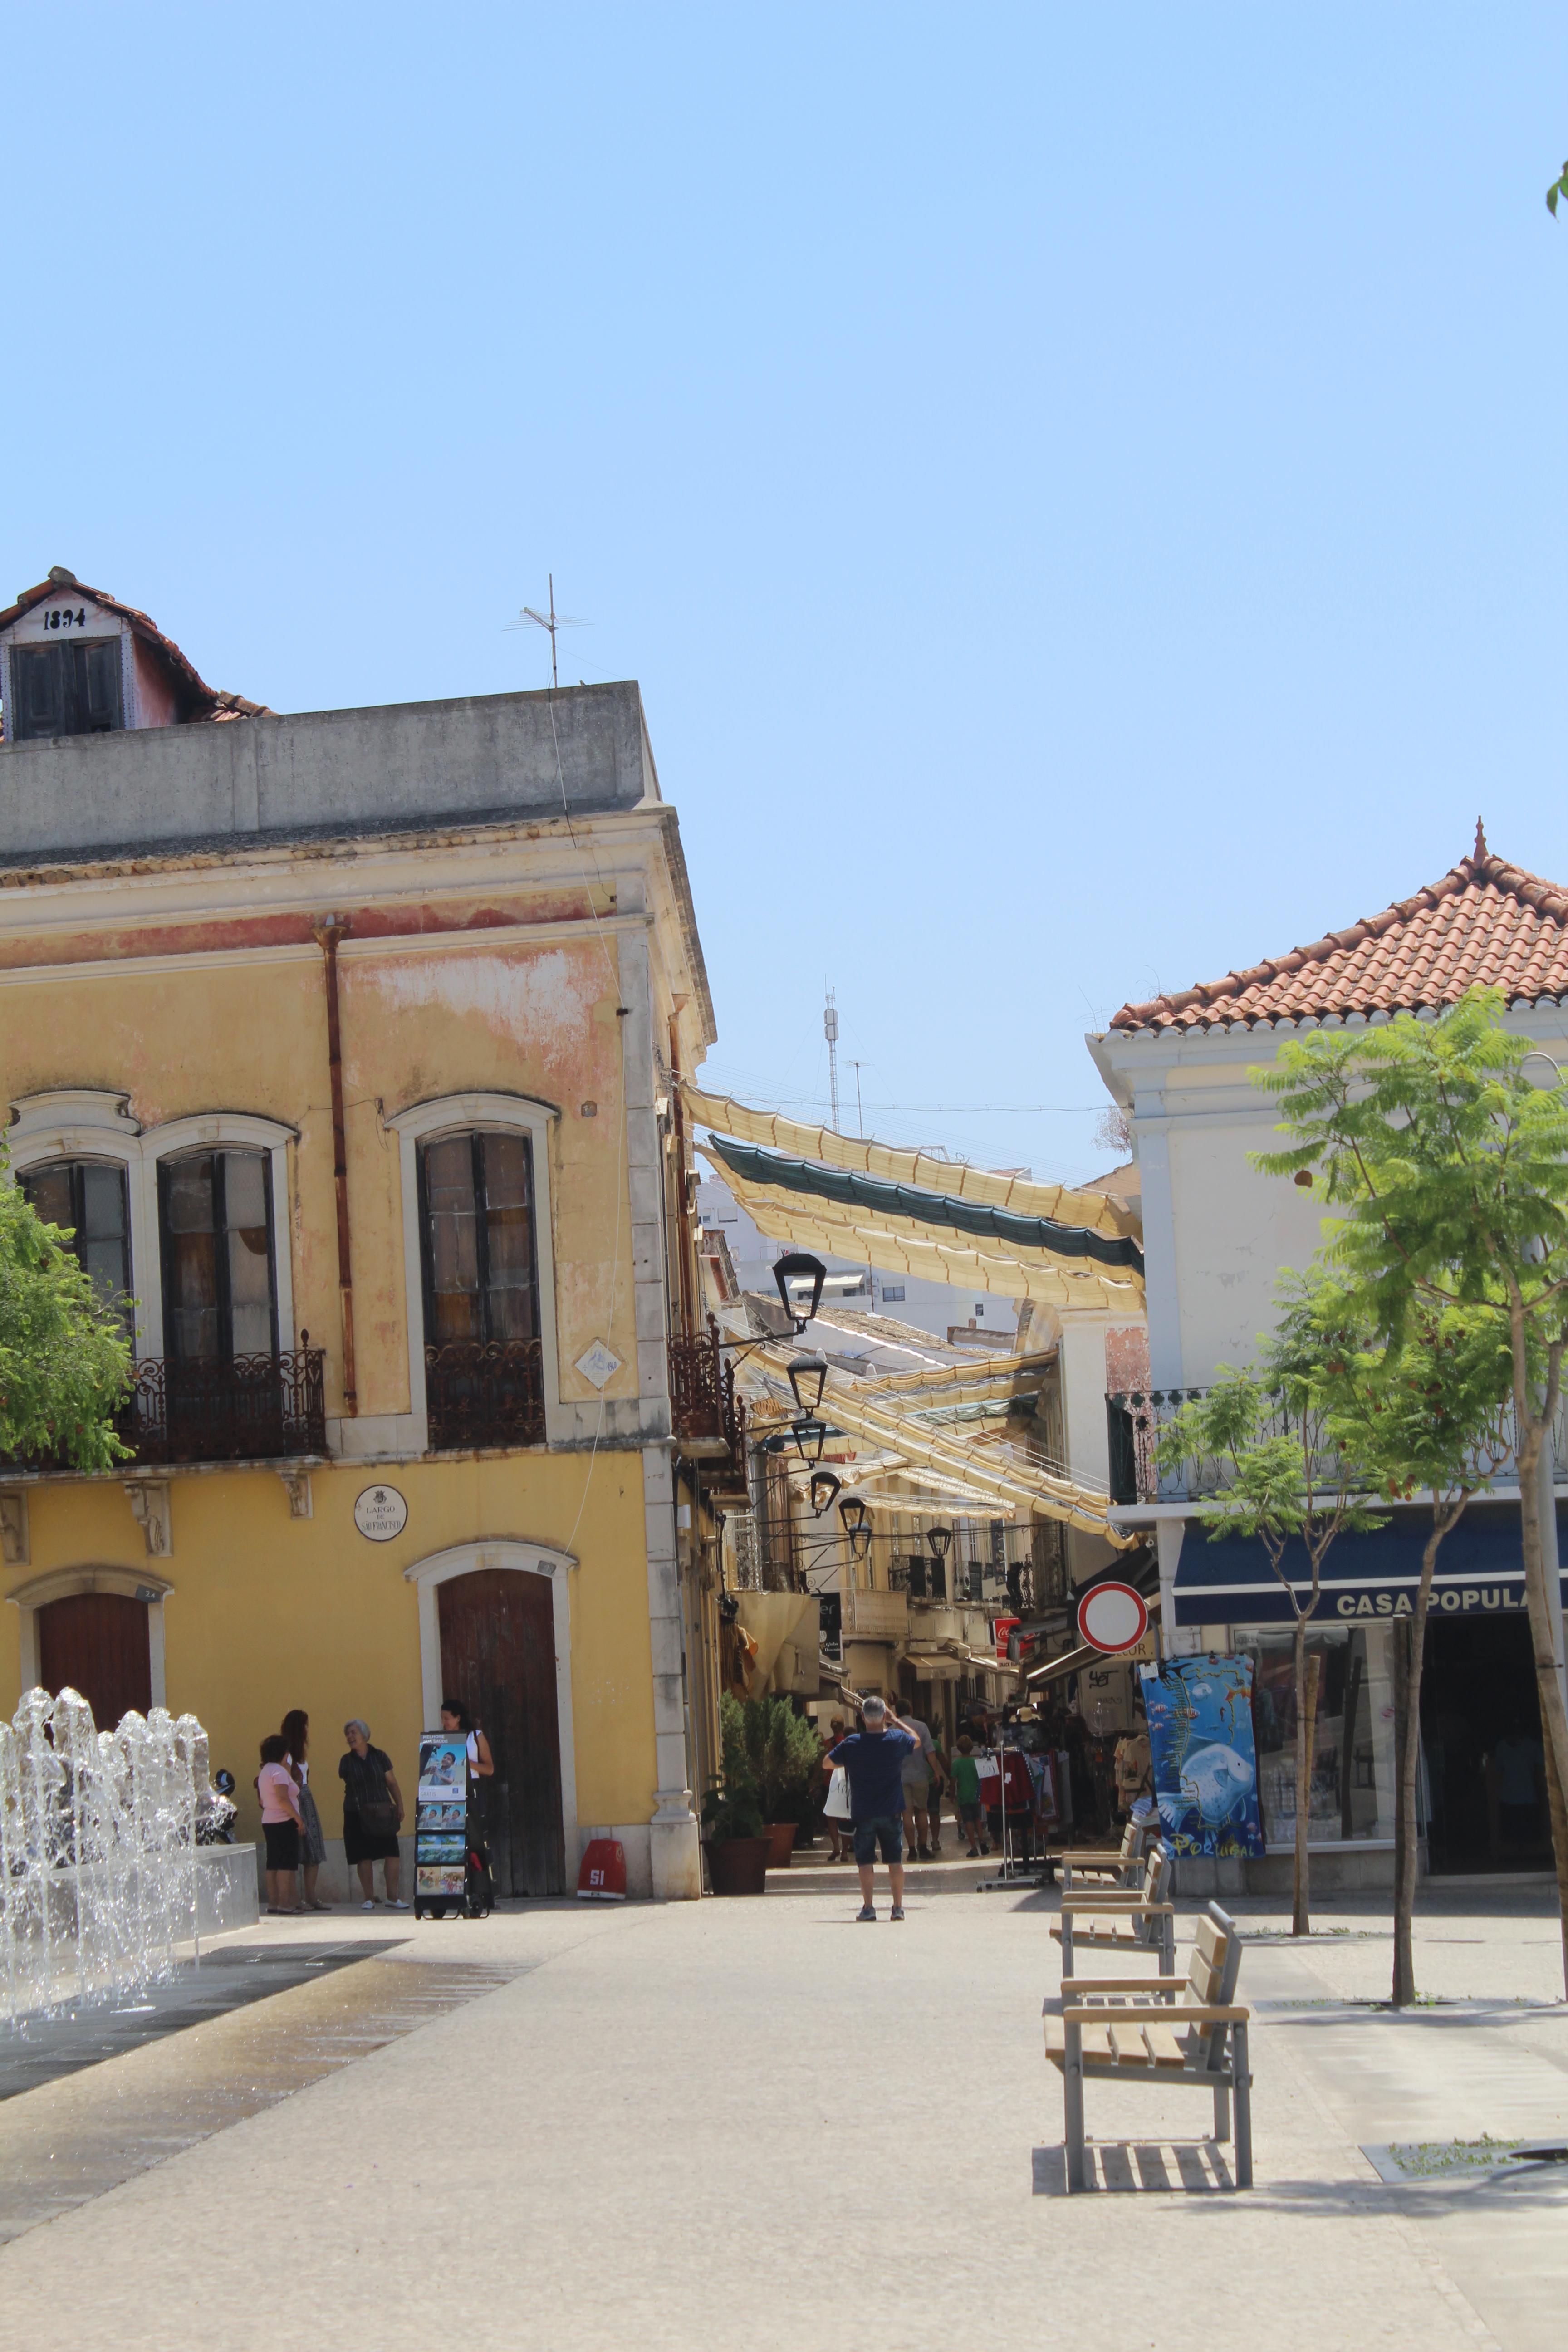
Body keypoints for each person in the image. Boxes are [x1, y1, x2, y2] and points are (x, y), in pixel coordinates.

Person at [824, 1692, 924, 1921]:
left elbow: (827, 1762)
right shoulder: (897, 1739)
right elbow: (917, 1740)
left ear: (862, 1717)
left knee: (865, 1862)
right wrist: (896, 1720)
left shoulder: (852, 1744)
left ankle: (869, 1908)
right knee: (895, 1861)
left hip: (864, 1811)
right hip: (891, 1810)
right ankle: (897, 1908)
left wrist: (850, 1760)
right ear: (883, 1716)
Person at [339, 1718, 408, 1910]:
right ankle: (368, 1898)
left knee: (392, 1853)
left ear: (364, 1735)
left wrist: (400, 1805)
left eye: (353, 1733)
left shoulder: (380, 1756)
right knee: (363, 1856)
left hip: (382, 1813)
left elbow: (392, 1782)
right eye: (348, 1734)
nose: (350, 1737)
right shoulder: (346, 1761)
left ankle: (393, 1898)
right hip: (357, 1813)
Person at [280, 1708, 330, 1911]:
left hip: (307, 1801)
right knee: (296, 1853)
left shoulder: (300, 1755)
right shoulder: (287, 1756)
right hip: (297, 1802)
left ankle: (311, 1897)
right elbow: (288, 1783)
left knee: (314, 1851)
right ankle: (295, 1898)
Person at [257, 1733, 305, 1916]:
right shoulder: (279, 1772)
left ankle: (275, 1902)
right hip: (284, 1821)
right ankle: (285, 1903)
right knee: (286, 1864)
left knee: (274, 1863)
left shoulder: (265, 1771)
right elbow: (283, 1798)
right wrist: (298, 1819)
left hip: (269, 1821)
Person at [900, 1712, 941, 1862]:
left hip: (901, 1778)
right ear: (911, 1710)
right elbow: (930, 1752)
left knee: (906, 1814)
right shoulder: (922, 1727)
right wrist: (936, 1772)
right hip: (920, 1776)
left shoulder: (892, 1730)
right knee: (922, 1811)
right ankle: (923, 1847)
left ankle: (911, 1850)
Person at [951, 1732, 989, 1858]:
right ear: (972, 1748)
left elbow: (953, 1781)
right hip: (976, 1795)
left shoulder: (956, 1764)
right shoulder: (976, 1762)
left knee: (968, 1821)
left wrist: (952, 1794)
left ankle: (973, 1847)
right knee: (977, 1818)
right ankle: (982, 1841)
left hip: (964, 1796)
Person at [820, 1715, 851, 1860]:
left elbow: (820, 1766)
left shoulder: (826, 1744)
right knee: (844, 1816)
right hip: (845, 1783)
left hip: (829, 1783)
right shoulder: (848, 1743)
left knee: (831, 1817)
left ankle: (836, 1848)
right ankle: (845, 1851)